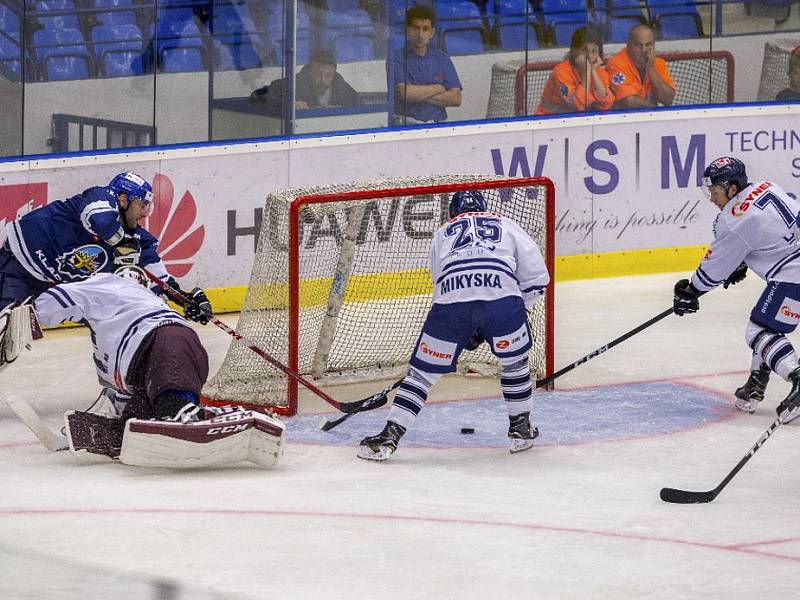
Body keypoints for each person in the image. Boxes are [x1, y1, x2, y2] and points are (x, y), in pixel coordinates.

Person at [14, 266, 284, 467]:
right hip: (162, 358)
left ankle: (206, 415)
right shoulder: (110, 332)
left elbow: (64, 297)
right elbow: (120, 394)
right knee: (133, 427)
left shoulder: (109, 283)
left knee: (172, 410)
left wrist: (25, 318)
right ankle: (229, 416)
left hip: (166, 342)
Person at [357, 190, 550, 461]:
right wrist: (510, 310)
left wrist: (469, 325)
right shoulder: (505, 223)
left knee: (421, 376)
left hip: (451, 307)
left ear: (452, 214)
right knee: (515, 363)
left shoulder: (442, 233)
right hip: (503, 303)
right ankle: (521, 430)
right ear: (485, 208)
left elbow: (442, 284)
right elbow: (537, 279)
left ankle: (389, 436)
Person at [672, 156, 800, 423]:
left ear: (731, 188)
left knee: (759, 331)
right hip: (793, 267)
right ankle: (756, 383)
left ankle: (797, 376)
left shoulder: (734, 217)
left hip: (794, 275)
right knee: (767, 324)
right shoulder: (767, 186)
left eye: (715, 192)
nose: (711, 198)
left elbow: (714, 268)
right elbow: (766, 233)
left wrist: (691, 292)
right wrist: (741, 262)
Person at [0, 171, 213, 323]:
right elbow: (101, 222)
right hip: (17, 264)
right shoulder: (101, 196)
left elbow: (160, 281)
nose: (144, 212)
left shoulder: (138, 238)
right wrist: (122, 244)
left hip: (47, 284)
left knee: (11, 339)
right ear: (122, 199)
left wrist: (185, 300)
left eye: (147, 206)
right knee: (5, 322)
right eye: (141, 204)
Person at [389, 5, 463, 125]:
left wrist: (418, 94)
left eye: (425, 29)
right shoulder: (396, 58)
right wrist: (438, 88)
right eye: (415, 28)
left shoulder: (442, 57)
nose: (420, 34)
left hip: (439, 124)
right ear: (406, 30)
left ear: (432, 32)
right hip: (407, 125)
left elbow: (456, 99)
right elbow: (404, 93)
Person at [535, 25, 614, 116]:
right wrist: (587, 73)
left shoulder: (599, 71)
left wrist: (593, 71)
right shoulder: (561, 72)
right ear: (575, 51)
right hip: (549, 119)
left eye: (594, 51)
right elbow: (578, 105)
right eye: (584, 50)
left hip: (578, 120)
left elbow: (606, 105)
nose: (589, 56)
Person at [249, 49, 361, 112]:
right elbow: (256, 97)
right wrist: (288, 106)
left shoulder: (341, 87)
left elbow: (361, 108)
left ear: (334, 74)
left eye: (328, 75)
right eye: (318, 74)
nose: (322, 80)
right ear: (309, 72)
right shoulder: (289, 85)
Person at [607, 24, 675, 109]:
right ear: (628, 45)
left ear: (654, 45)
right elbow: (629, 101)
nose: (643, 50)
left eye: (648, 45)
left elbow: (668, 99)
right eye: (638, 45)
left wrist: (651, 69)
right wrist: (657, 111)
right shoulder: (616, 64)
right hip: (620, 119)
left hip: (649, 118)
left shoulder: (658, 63)